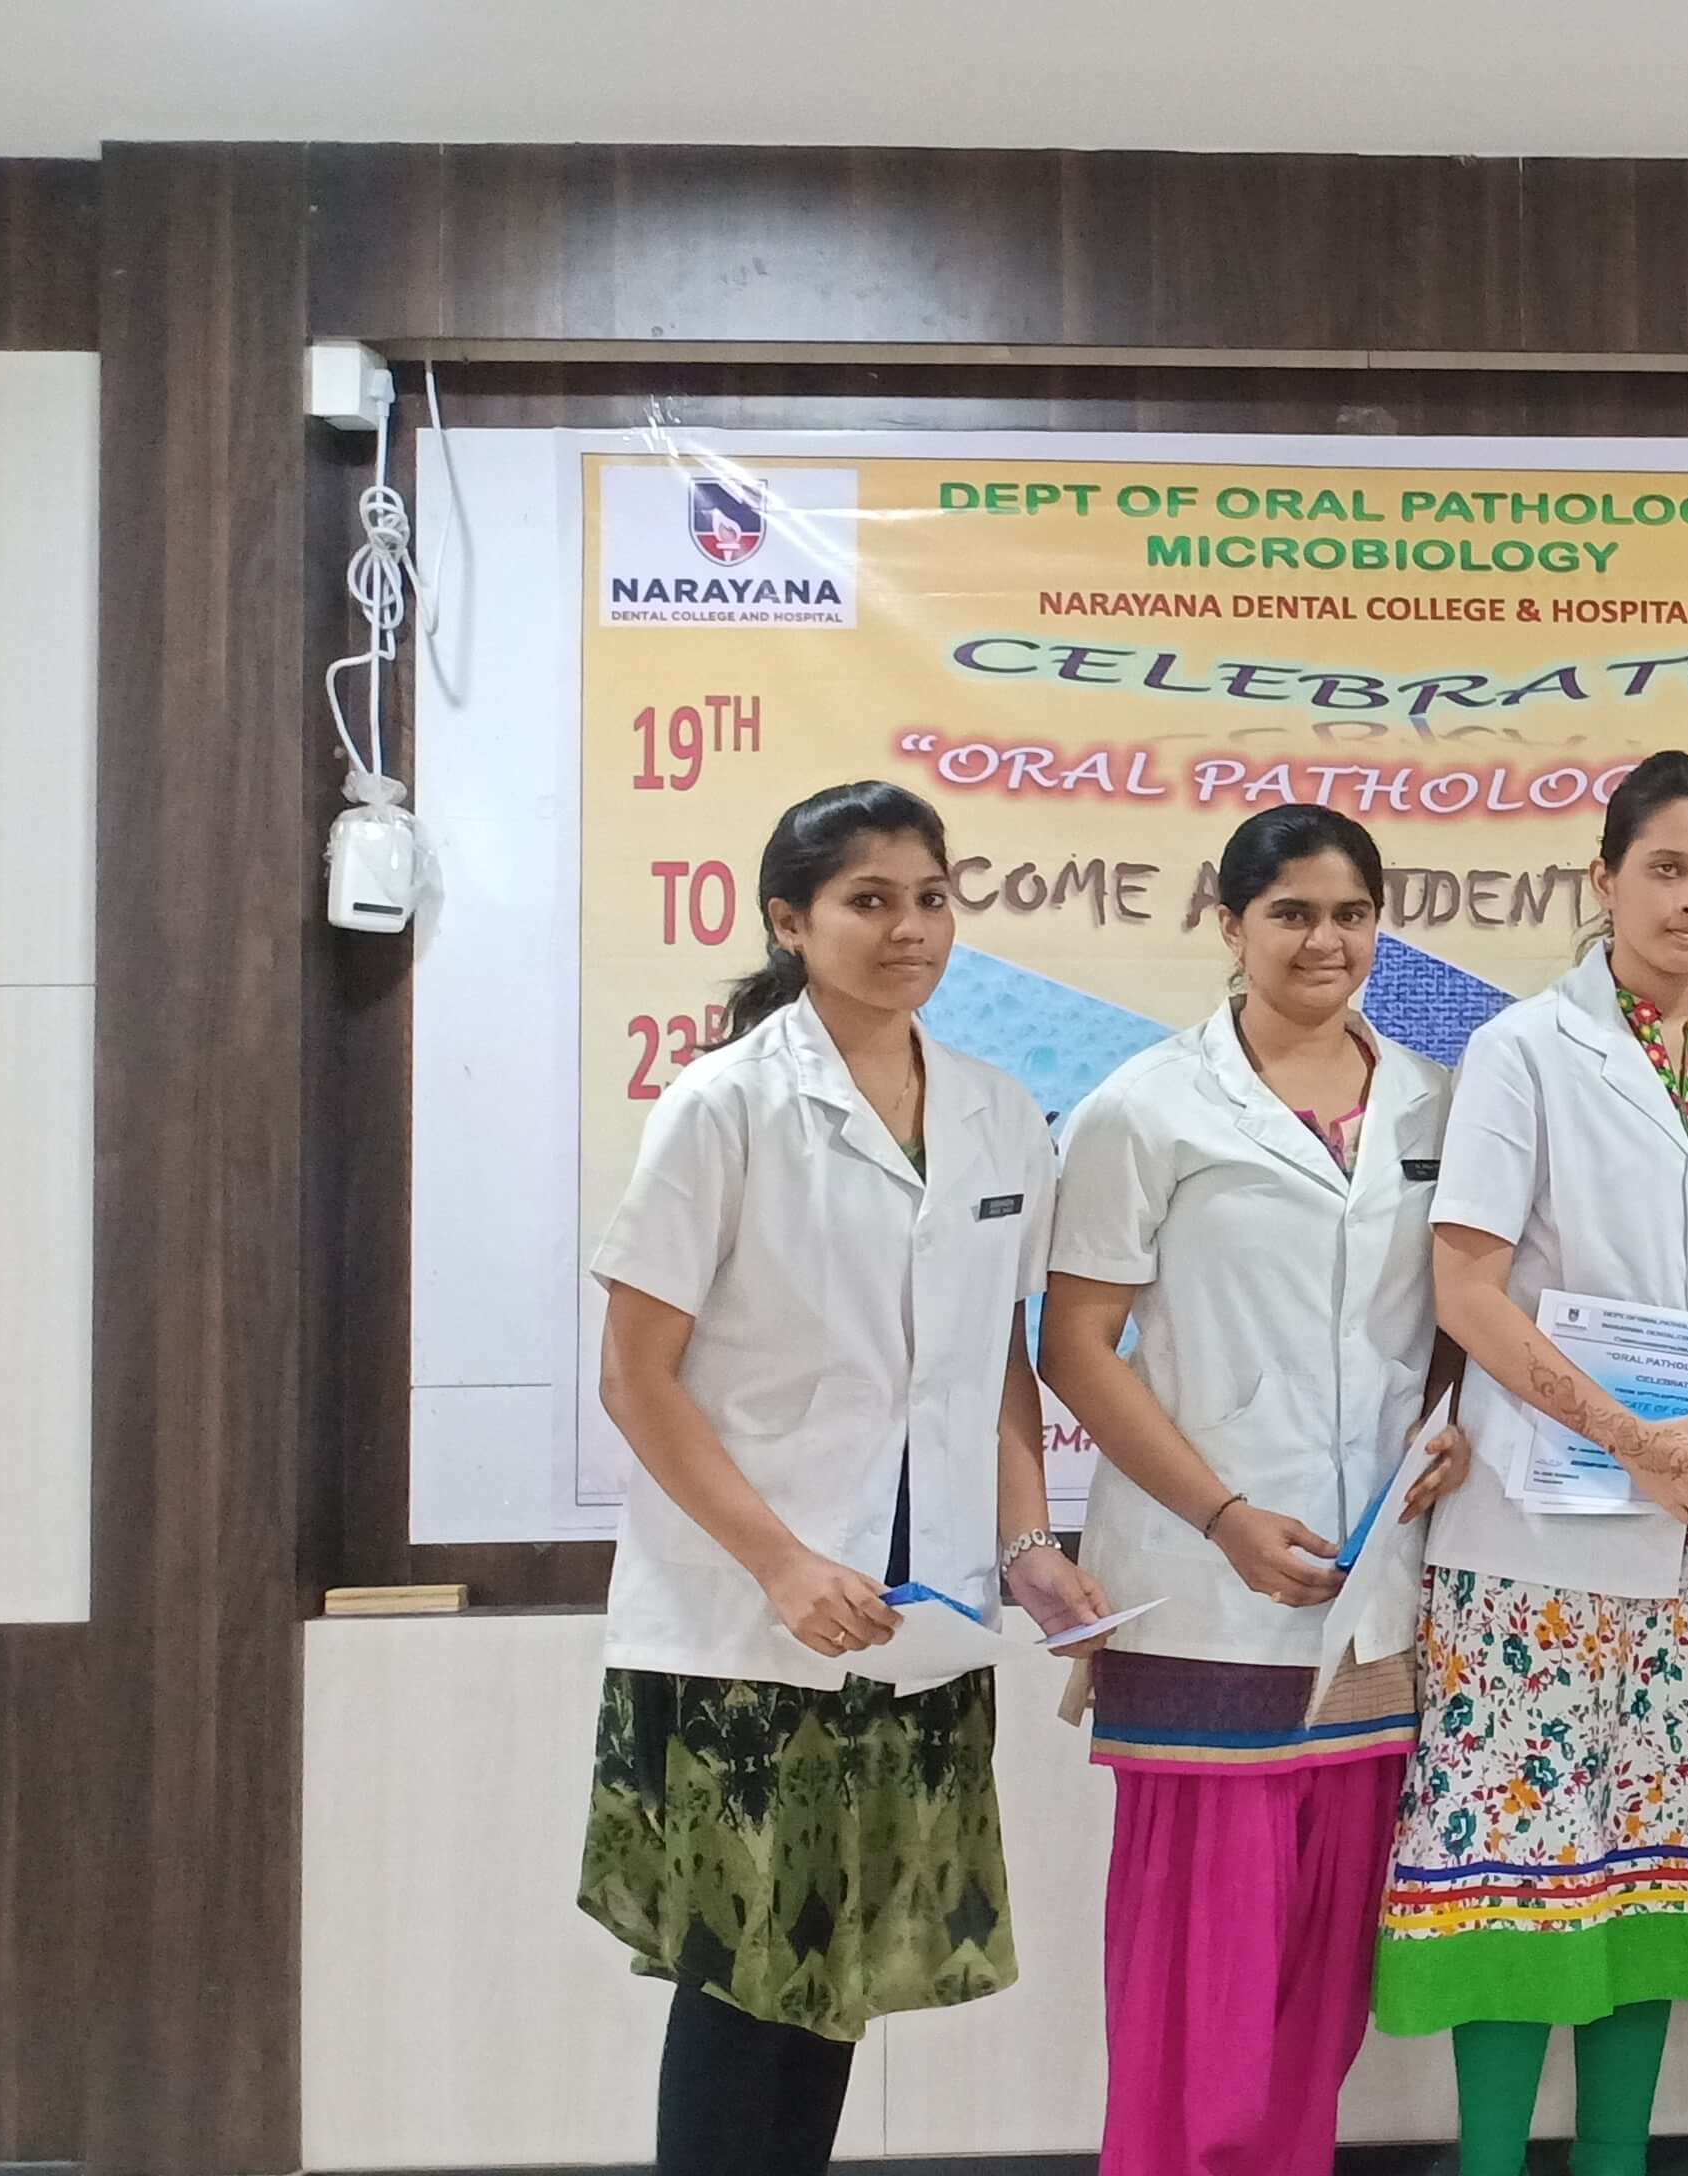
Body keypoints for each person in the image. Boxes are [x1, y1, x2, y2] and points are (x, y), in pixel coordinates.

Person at [578, 779, 1107, 2176]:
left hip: (914, 1621)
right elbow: (636, 1377)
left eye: (931, 897)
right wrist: (779, 1562)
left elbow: (995, 1358)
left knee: (833, 1978)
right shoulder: (726, 1105)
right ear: (789, 921)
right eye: (869, 900)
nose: (908, 927)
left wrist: (1030, 1545)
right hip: (751, 1624)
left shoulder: (997, 1109)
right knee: (742, 1982)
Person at [1382, 750, 1688, 2176]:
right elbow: (1466, 1292)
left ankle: (1617, 2160)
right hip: (1534, 1547)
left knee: (1654, 1883)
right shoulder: (1521, 1050)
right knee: (1513, 1882)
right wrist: (1630, 1436)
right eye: (1666, 870)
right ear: (1604, 879)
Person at [1042, 804, 1473, 2176]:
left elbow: (1456, 1317)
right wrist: (1222, 1517)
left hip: (1369, 1591)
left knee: (1321, 1980)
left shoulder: (1437, 1102)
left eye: (1350, 914)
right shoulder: (1146, 1108)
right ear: (1228, 925)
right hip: (1203, 1595)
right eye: (1290, 913)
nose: (1323, 940)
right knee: (1203, 1982)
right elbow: (1074, 1346)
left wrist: (1451, 1426)